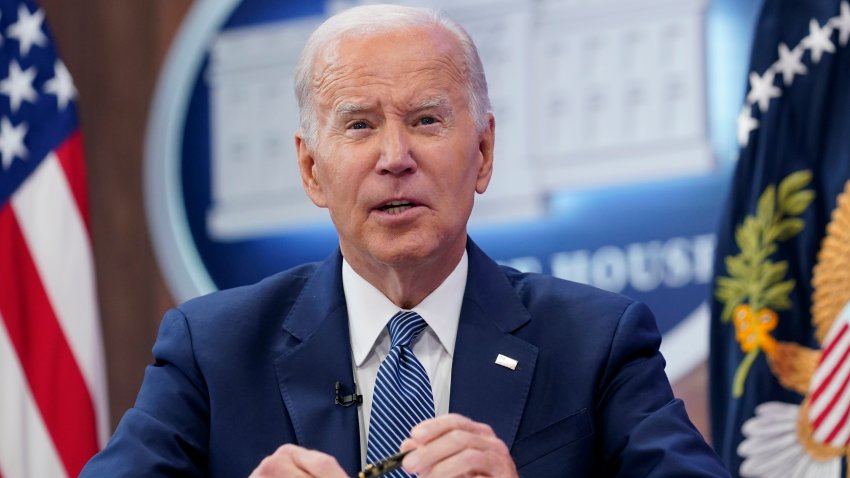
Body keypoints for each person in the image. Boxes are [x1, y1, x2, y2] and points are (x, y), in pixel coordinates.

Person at [81, 4, 729, 477]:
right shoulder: (214, 349)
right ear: (311, 169)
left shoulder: (594, 342)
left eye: (426, 120)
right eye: (359, 125)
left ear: (482, 152)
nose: (395, 156)